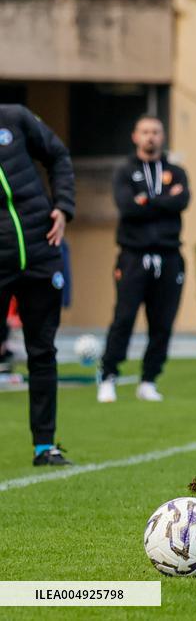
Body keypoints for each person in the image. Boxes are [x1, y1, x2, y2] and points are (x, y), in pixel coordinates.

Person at [0, 104, 76, 466]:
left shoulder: (14, 118)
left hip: (41, 251)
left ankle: (45, 447)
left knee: (42, 351)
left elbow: (58, 154)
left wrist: (63, 206)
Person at [97, 115, 190, 403]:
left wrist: (147, 199)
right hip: (134, 257)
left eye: (156, 132)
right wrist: (164, 200)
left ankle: (149, 380)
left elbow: (182, 201)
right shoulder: (125, 171)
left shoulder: (176, 171)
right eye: (145, 131)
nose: (151, 136)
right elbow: (128, 207)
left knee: (162, 323)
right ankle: (108, 376)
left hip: (169, 256)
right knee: (124, 318)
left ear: (162, 136)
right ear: (135, 136)